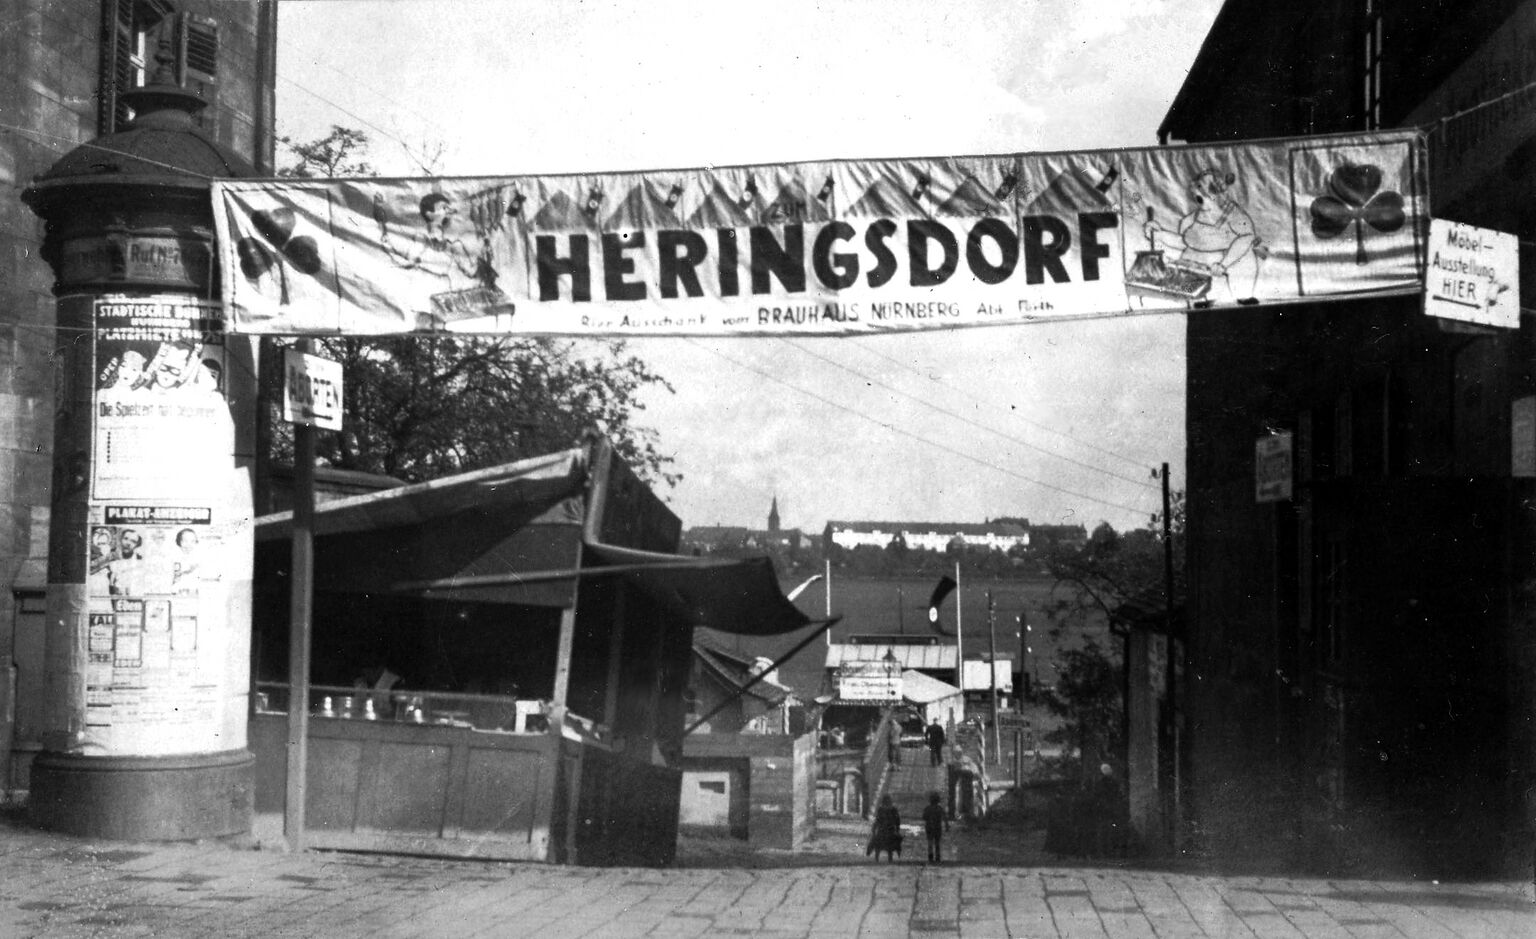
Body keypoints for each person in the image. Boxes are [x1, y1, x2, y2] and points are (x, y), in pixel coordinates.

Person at [866, 794, 902, 862]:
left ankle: (872, 853)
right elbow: (897, 821)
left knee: (876, 841)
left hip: (883, 830)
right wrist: (897, 830)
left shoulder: (882, 809)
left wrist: (874, 828)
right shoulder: (892, 809)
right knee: (895, 842)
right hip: (889, 830)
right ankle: (895, 853)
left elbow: (877, 820)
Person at [922, 791, 948, 863]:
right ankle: (937, 857)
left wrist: (929, 819)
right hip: (937, 827)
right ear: (938, 800)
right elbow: (945, 818)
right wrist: (946, 826)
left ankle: (930, 856)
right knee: (937, 842)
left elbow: (924, 817)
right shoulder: (940, 808)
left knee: (930, 842)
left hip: (929, 827)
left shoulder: (927, 808)